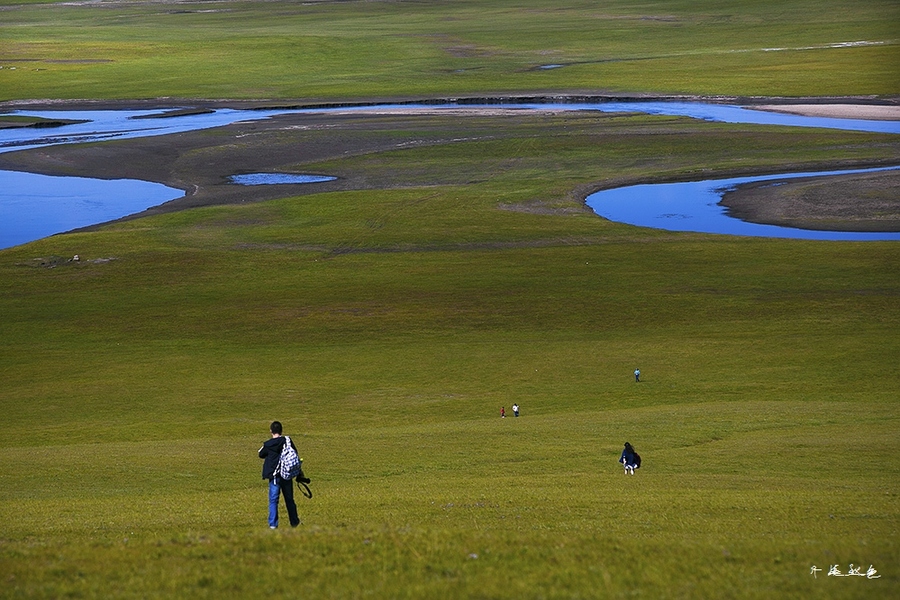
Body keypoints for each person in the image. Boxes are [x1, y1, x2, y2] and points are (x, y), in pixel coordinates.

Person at [259, 421, 300, 529]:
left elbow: (261, 454)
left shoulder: (268, 444)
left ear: (271, 431)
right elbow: (295, 453)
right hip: (286, 474)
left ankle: (273, 524)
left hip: (275, 476)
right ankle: (294, 522)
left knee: (273, 500)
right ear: (281, 430)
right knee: (289, 500)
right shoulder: (287, 441)